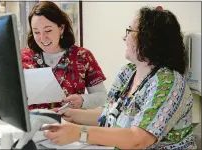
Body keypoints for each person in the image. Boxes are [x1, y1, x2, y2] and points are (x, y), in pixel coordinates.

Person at [42, 6, 196, 149]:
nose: (124, 37)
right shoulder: (127, 73)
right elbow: (109, 114)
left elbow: (138, 139)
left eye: (129, 31)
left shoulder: (168, 82)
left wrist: (78, 133)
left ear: (149, 39)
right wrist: (72, 115)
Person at [21, 1, 107, 110]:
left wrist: (83, 100)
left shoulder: (82, 56)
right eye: (36, 32)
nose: (42, 38)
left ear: (61, 28)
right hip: (33, 125)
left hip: (70, 124)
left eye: (48, 31)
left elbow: (102, 97)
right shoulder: (22, 57)